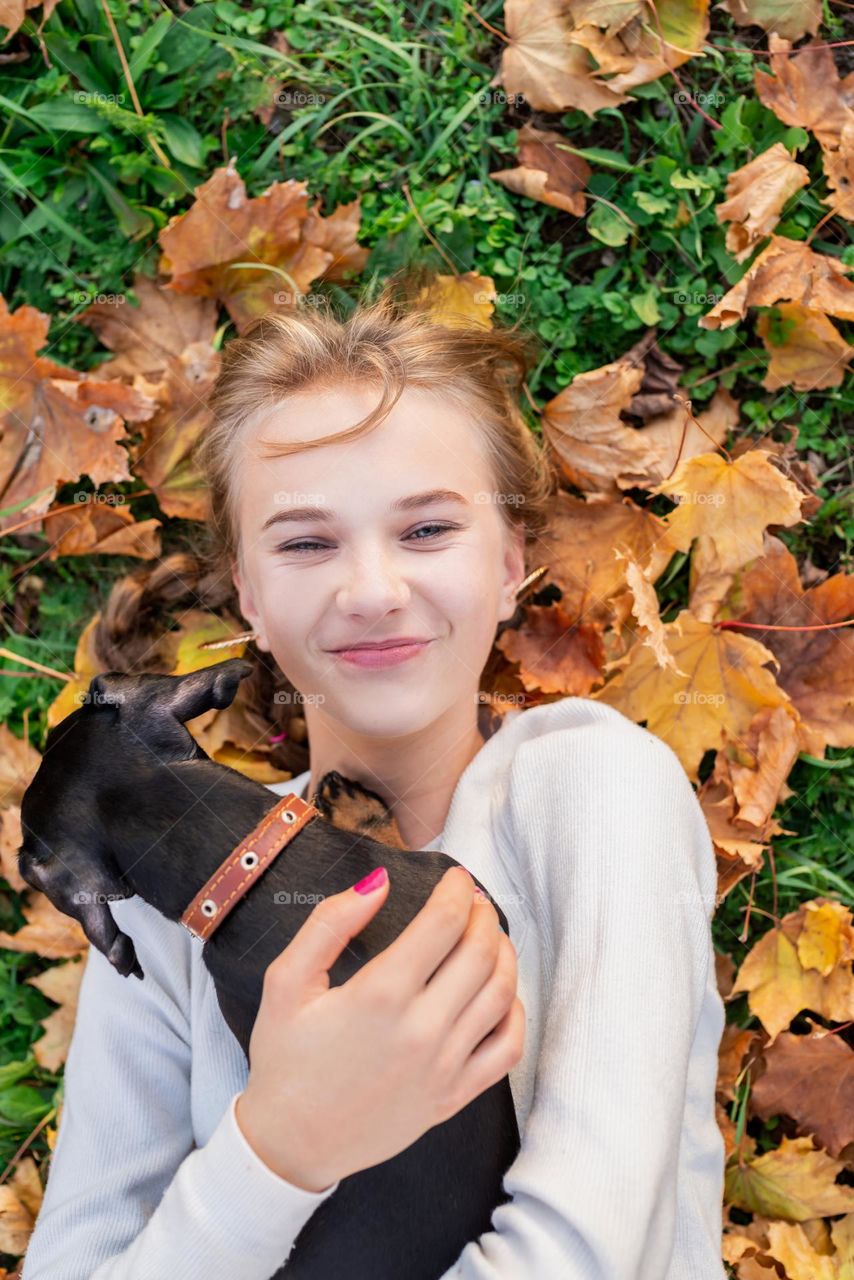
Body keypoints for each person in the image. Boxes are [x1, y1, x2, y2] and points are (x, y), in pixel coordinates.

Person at [20, 275, 727, 1278]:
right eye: (307, 543)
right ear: (251, 596)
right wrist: (278, 1148)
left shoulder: (589, 780)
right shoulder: (159, 888)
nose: (370, 590)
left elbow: (587, 1250)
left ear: (509, 561)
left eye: (427, 530)